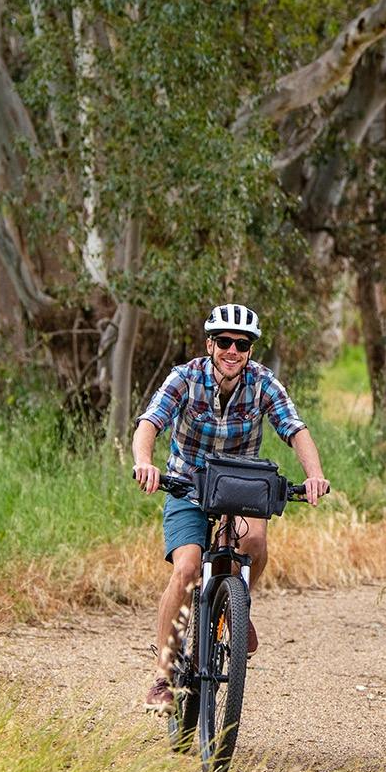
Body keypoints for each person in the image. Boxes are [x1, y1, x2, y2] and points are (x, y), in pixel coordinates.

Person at [132, 303, 330, 710]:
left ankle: (237, 605)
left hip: (240, 488)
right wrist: (144, 463)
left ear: (250, 350)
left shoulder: (263, 383)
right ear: (210, 344)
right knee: (187, 567)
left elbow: (295, 429)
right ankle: (163, 672)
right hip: (187, 486)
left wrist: (314, 475)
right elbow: (150, 422)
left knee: (255, 541)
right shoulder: (185, 378)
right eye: (224, 342)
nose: (232, 350)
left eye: (242, 344)